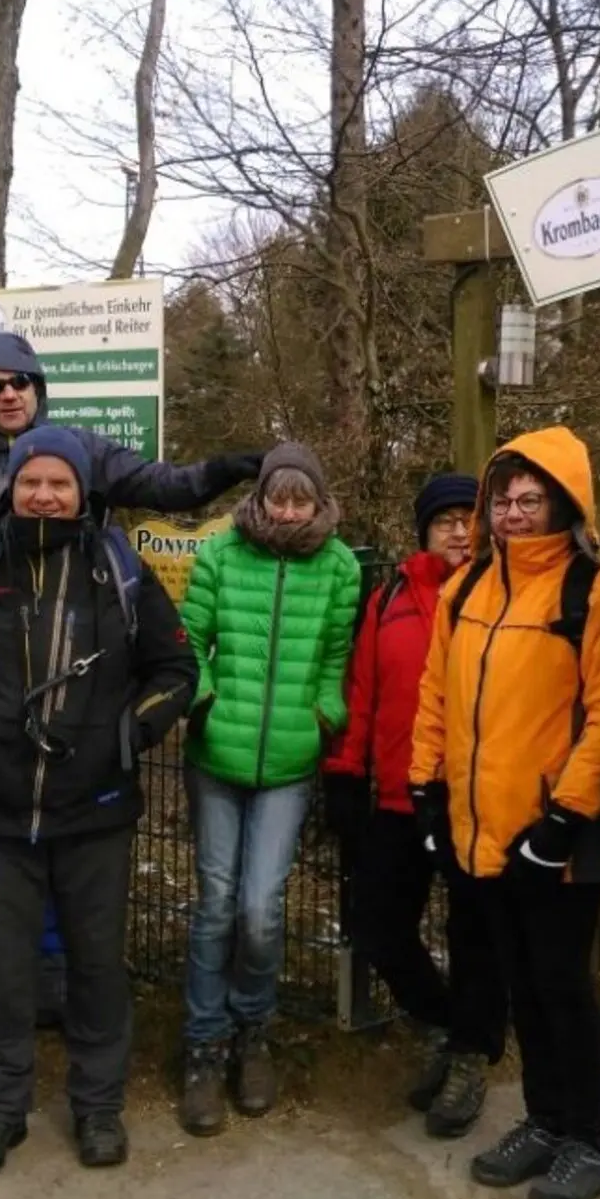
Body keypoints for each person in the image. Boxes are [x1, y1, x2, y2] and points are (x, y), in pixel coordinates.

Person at [0, 426, 198, 1178]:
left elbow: (175, 667)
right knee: (2, 968)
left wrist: (133, 731)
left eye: (58, 482)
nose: (43, 493)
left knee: (97, 966)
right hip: (0, 810)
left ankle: (98, 1107)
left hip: (96, 809)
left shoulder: (119, 569)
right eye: (31, 480)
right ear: (12, 488)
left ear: (81, 492)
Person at [411, 427, 600, 1199]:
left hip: (552, 839)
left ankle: (589, 1140)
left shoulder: (594, 591)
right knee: (518, 984)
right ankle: (544, 1119)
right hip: (480, 831)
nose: (511, 510)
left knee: (561, 986)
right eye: (502, 498)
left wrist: (566, 817)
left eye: (530, 498)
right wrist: (427, 791)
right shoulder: (464, 588)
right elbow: (436, 695)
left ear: (564, 501)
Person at [178, 443, 360, 1137]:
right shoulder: (224, 553)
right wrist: (202, 697)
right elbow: (188, 636)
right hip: (216, 753)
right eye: (277, 497)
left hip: (289, 761)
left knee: (260, 906)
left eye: (300, 498)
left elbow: (337, 657)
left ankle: (254, 1031)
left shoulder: (339, 565)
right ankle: (203, 1044)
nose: (287, 510)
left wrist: (325, 715)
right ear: (259, 498)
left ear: (318, 502)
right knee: (216, 902)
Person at [323, 472, 507, 1137]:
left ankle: (469, 1055)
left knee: (474, 934)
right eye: (444, 520)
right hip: (401, 793)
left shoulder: (501, 592)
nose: (459, 530)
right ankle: (442, 1022)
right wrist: (346, 769)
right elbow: (363, 686)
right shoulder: (391, 595)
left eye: (469, 518)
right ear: (424, 530)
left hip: (474, 798)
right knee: (377, 921)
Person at [0, 332, 261, 553]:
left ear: (37, 389)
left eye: (20, 381)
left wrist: (224, 469)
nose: (9, 394)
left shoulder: (80, 449)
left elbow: (162, 485)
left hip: (68, 618)